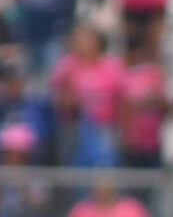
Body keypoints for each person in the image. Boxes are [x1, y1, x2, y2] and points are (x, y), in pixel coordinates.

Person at [50, 21, 123, 168]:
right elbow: (57, 96)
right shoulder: (66, 65)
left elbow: (121, 98)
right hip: (75, 127)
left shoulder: (112, 66)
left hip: (106, 127)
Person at [114, 33, 169, 171]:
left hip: (153, 142)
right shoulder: (123, 75)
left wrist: (147, 103)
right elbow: (123, 106)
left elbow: (163, 103)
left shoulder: (156, 74)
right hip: (131, 141)